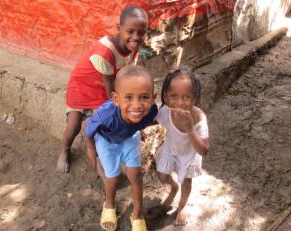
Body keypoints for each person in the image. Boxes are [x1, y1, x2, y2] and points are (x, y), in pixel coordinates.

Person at [56, 6, 149, 173]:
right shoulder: (105, 52)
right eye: (130, 31)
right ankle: (64, 150)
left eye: (141, 33)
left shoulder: (133, 47)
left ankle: (104, 153)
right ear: (119, 28)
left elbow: (126, 79)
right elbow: (110, 92)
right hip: (82, 88)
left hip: (102, 89)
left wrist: (136, 123)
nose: (136, 37)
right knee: (74, 125)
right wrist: (129, 117)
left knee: (105, 123)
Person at [85, 65, 157, 231]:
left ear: (153, 98)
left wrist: (138, 128)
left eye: (144, 97)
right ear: (116, 99)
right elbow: (88, 130)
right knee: (113, 179)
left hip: (129, 139)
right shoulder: (106, 115)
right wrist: (91, 149)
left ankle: (137, 214)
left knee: (136, 177)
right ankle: (109, 204)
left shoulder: (151, 110)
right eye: (129, 98)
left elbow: (143, 118)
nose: (137, 105)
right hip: (106, 142)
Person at [154, 68, 210, 226]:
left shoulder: (199, 117)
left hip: (191, 153)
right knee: (162, 176)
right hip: (171, 148)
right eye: (174, 96)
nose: (179, 102)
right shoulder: (165, 111)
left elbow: (204, 150)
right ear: (165, 96)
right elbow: (150, 121)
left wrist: (190, 129)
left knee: (186, 181)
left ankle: (182, 206)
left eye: (187, 97)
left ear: (195, 98)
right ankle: (173, 187)